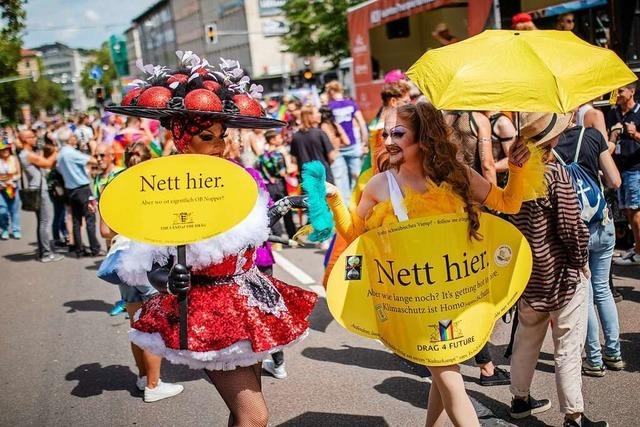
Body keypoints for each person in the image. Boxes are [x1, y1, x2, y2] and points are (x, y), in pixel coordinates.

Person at [105, 53, 317, 425]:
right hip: (206, 311)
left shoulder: (235, 179)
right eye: (207, 138)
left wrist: (285, 205)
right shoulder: (164, 188)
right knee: (255, 416)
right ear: (183, 140)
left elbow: (242, 234)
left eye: (220, 137)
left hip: (246, 303)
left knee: (244, 413)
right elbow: (150, 261)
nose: (218, 147)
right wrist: (167, 279)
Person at [326, 102, 536, 426]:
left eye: (398, 133)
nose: (388, 141)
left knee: (444, 378)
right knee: (453, 383)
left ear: (424, 139)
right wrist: (335, 201)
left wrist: (520, 170)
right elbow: (355, 233)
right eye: (385, 134)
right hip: (416, 305)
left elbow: (507, 203)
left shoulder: (457, 175)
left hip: (455, 296)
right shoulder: (381, 185)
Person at [509, 112, 607, 427]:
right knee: (568, 345)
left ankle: (520, 399)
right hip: (563, 276)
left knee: (527, 339)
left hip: (530, 275)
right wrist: (582, 264)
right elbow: (571, 229)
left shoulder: (517, 174)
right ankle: (574, 416)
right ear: (550, 139)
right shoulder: (556, 175)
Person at [98, 141, 184, 402]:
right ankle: (154, 385)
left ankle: (142, 376)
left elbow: (104, 231)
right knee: (153, 325)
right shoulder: (153, 186)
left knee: (137, 324)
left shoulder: (112, 187)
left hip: (122, 260)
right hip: (147, 260)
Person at [555, 119, 624, 377]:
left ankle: (594, 359)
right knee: (603, 289)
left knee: (585, 294)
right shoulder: (593, 135)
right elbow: (615, 180)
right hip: (602, 223)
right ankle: (614, 353)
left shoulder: (549, 145)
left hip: (575, 229)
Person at [55, 128, 102, 258]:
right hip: (82, 188)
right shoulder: (71, 153)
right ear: (69, 139)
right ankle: (95, 248)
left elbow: (58, 169)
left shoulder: (60, 154)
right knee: (90, 218)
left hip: (70, 189)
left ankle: (79, 248)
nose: (75, 138)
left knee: (76, 220)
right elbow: (92, 160)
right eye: (73, 136)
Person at [17, 129, 63, 262]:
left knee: (41, 222)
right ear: (25, 139)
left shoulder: (26, 153)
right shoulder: (28, 154)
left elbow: (44, 162)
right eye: (32, 137)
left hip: (36, 188)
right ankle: (46, 254)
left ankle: (43, 251)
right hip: (40, 190)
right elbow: (47, 163)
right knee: (45, 222)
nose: (35, 138)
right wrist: (56, 151)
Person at [607, 83, 640, 265]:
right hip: (620, 168)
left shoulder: (639, 112)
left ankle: (639, 252)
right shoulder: (614, 114)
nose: (617, 94)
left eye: (620, 91)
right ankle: (637, 247)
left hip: (636, 168)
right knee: (628, 210)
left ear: (632, 92)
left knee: (635, 210)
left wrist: (635, 134)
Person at [326, 81, 368, 189]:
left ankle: (344, 204)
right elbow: (362, 123)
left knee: (340, 180)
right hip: (353, 144)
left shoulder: (329, 107)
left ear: (330, 92)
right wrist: (365, 142)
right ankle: (356, 204)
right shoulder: (351, 104)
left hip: (337, 147)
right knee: (357, 177)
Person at [259, 130, 296, 239]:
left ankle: (277, 236)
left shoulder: (262, 156)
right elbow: (283, 172)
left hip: (268, 186)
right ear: (272, 140)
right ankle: (292, 236)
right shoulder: (278, 155)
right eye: (279, 138)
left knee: (273, 211)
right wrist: (293, 166)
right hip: (279, 184)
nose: (281, 139)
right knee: (286, 210)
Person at [290, 104, 338, 185]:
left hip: (306, 179)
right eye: (317, 113)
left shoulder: (295, 137)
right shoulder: (320, 133)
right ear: (310, 116)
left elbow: (294, 160)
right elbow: (332, 156)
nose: (320, 114)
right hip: (324, 177)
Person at [319, 106, 351, 203]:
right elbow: (347, 142)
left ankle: (340, 214)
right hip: (340, 157)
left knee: (337, 189)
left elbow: (328, 145)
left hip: (332, 159)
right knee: (345, 188)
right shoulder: (335, 125)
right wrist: (338, 143)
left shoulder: (323, 127)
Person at [0, 139, 21, 240]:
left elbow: (19, 174)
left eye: (7, 149)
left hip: (13, 187)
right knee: (2, 210)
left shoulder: (14, 159)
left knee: (14, 210)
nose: (5, 151)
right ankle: (4, 229)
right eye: (3, 149)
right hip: (1, 188)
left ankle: (16, 229)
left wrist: (12, 180)